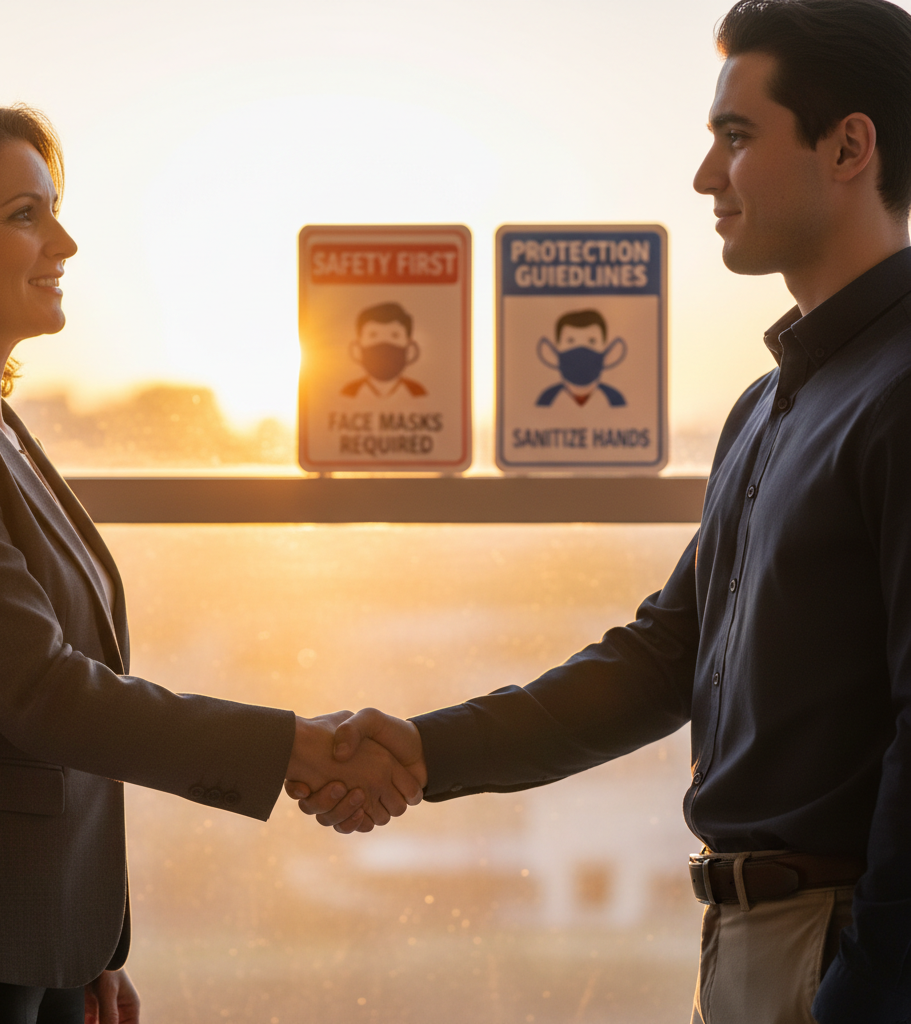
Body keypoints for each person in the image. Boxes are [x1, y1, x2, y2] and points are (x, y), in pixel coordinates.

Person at [289, 1, 911, 1020]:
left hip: (843, 957)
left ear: (849, 147)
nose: (705, 176)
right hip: (753, 943)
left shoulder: (899, 392)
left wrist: (869, 991)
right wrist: (425, 748)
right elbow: (664, 657)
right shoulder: (769, 404)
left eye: (736, 137)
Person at [0, 100, 422, 1024]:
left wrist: (91, 940)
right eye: (25, 215)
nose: (65, 243)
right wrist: (290, 747)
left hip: (34, 932)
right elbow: (41, 692)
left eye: (55, 210)